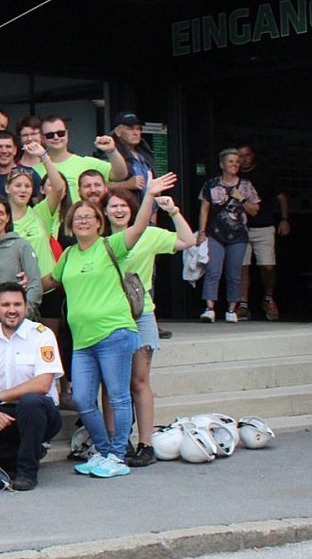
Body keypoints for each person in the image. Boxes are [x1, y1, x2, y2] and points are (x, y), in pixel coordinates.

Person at [42, 172, 176, 478]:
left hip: (115, 333)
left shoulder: (111, 245)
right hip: (83, 340)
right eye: (78, 218)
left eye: (89, 218)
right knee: (82, 399)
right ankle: (104, 450)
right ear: (70, 225)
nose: (83, 222)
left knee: (118, 395)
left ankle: (117, 454)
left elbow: (139, 228)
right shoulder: (69, 255)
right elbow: (50, 280)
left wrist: (149, 195)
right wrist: (24, 285)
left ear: (99, 222)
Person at [102, 188, 196, 466]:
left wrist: (173, 211)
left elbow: (188, 240)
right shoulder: (99, 240)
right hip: (107, 317)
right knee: (111, 383)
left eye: (124, 206)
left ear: (133, 210)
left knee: (139, 381)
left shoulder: (149, 234)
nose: (119, 210)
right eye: (113, 206)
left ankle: (146, 444)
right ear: (104, 211)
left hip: (140, 314)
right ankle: (118, 442)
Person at [0, 282, 65, 491]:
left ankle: (26, 473)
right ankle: (22, 454)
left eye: (17, 304)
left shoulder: (42, 335)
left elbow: (43, 384)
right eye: (6, 305)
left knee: (30, 402)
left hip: (39, 412)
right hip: (3, 413)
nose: (12, 310)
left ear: (26, 307)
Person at [197, 148, 260, 323]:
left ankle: (232, 309)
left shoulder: (246, 185)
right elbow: (204, 209)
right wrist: (202, 232)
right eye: (231, 161)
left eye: (237, 162)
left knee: (234, 273)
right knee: (213, 270)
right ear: (222, 164)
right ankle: (210, 308)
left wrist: (241, 198)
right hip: (215, 233)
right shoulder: (211, 184)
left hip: (238, 235)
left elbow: (255, 210)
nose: (235, 164)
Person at [237, 144, 289, 321]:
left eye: (247, 155)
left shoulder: (265, 174)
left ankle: (268, 298)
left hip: (264, 225)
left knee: (267, 265)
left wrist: (284, 219)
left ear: (253, 156)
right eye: (240, 156)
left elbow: (281, 197)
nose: (243, 159)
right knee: (242, 266)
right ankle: (243, 304)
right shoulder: (233, 176)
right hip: (240, 228)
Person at [0, 198, 42, 330]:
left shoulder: (21, 246)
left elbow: (35, 284)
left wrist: (24, 313)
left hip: (14, 322)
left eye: (1, 213)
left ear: (7, 218)